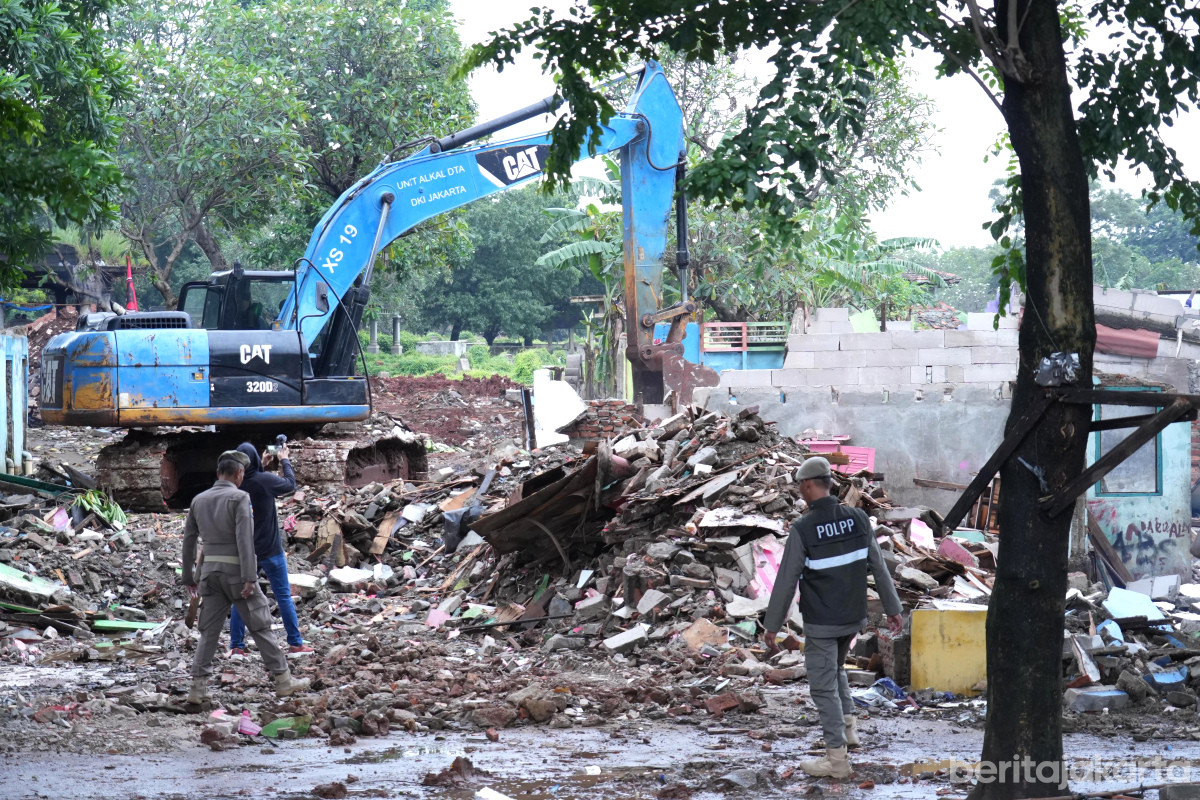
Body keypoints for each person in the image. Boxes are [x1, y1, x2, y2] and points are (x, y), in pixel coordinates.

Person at [762, 456, 904, 779]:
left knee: (822, 687)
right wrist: (893, 609)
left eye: (801, 487)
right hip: (853, 620)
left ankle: (836, 760)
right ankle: (850, 729)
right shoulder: (858, 519)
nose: (800, 492)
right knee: (836, 668)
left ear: (810, 486)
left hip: (822, 624)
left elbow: (786, 581)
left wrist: (772, 626)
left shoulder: (803, 530)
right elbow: (880, 569)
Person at [182, 451, 309, 705]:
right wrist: (250, 577)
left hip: (209, 575)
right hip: (237, 574)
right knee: (261, 627)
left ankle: (197, 689)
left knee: (209, 632)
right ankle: (284, 681)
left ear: (218, 473)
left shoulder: (198, 500)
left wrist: (188, 577)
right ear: (239, 474)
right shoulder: (240, 497)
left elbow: (188, 540)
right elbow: (244, 539)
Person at [227, 441, 313, 656]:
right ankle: (295, 643)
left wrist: (262, 467)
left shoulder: (235, 485)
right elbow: (290, 484)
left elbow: (253, 481)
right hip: (272, 551)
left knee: (241, 599)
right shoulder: (264, 481)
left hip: (246, 553)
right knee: (283, 596)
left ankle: (237, 646)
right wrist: (284, 459)